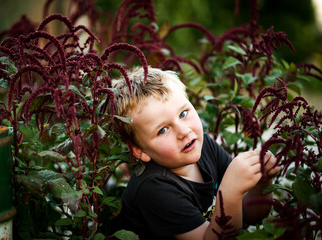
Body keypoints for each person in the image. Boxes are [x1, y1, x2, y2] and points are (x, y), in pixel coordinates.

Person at [112, 66, 280, 239]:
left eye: (183, 113)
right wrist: (230, 193)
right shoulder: (153, 187)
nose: (184, 131)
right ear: (140, 151)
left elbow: (251, 215)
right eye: (163, 130)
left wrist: (262, 184)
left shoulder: (206, 146)